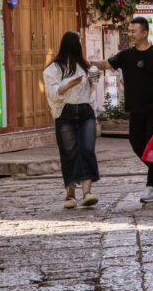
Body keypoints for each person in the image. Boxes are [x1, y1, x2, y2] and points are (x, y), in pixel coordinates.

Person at [91, 16, 153, 203]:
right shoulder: (126, 55)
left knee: (150, 144)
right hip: (135, 107)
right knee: (136, 143)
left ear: (144, 33)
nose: (130, 35)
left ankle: (151, 187)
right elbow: (107, 64)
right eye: (129, 31)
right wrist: (91, 63)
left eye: (133, 31)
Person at [43, 31, 100, 209]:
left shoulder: (84, 65)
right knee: (69, 152)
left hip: (85, 111)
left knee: (87, 149)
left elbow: (91, 90)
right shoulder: (54, 69)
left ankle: (87, 192)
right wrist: (69, 84)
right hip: (65, 113)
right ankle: (70, 193)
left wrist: (93, 78)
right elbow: (52, 92)